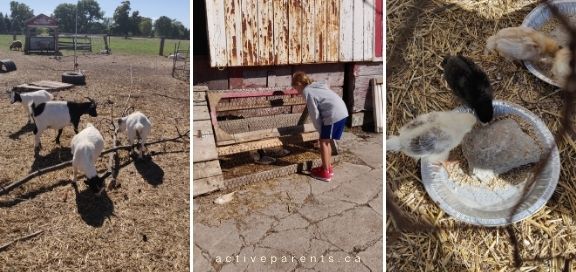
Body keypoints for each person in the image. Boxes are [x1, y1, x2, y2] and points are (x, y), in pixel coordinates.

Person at [291, 71, 349, 182]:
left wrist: (320, 130)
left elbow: (314, 114)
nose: (297, 92)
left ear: (299, 84)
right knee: (327, 141)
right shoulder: (316, 86)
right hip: (342, 111)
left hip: (333, 114)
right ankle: (328, 167)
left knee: (323, 141)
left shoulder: (307, 91)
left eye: (296, 88)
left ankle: (325, 172)